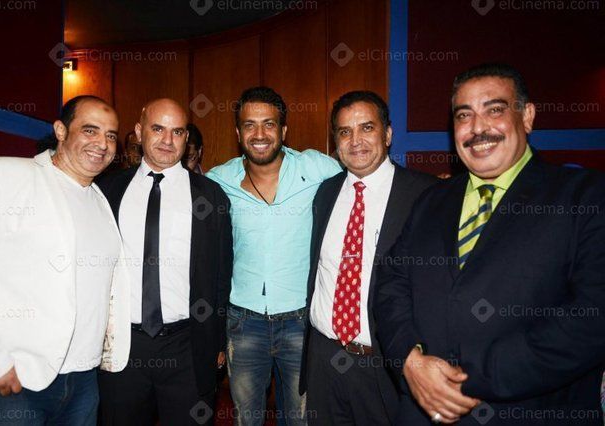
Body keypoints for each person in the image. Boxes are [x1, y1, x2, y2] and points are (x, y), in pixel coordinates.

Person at [374, 63, 605, 425]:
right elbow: (391, 285)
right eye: (463, 115)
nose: (478, 128)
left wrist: (462, 379)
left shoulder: (585, 197)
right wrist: (410, 360)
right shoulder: (432, 200)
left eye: (494, 110)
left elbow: (592, 318)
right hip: (421, 411)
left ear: (527, 116)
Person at [0, 95, 131, 425]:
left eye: (111, 135)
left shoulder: (99, 199)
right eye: (90, 130)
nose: (102, 143)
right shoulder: (7, 176)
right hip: (15, 380)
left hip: (84, 381)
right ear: (60, 130)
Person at [206, 87, 342, 425]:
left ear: (283, 130)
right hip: (243, 321)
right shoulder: (219, 180)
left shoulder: (317, 167)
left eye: (269, 124)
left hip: (301, 319)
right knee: (246, 417)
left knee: (300, 418)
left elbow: (362, 182)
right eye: (249, 125)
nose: (260, 134)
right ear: (238, 133)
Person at [300, 91, 436, 425]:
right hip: (324, 358)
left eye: (367, 128)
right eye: (345, 131)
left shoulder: (427, 195)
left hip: (385, 364)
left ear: (387, 134)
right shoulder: (326, 192)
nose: (355, 140)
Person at [96, 98, 232, 426]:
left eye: (178, 132)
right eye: (158, 129)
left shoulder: (210, 196)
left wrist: (217, 340)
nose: (168, 140)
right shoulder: (108, 190)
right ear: (139, 131)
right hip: (123, 346)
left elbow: (221, 273)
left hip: (187, 345)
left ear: (187, 138)